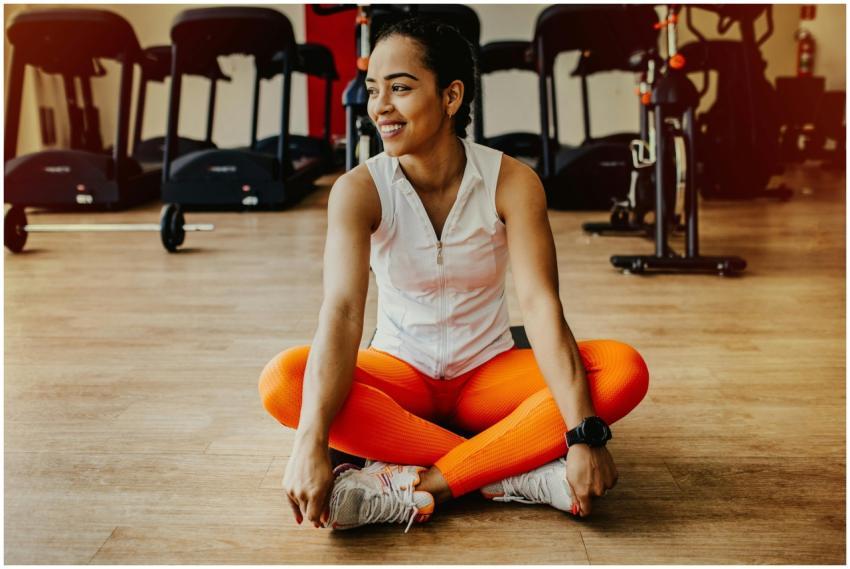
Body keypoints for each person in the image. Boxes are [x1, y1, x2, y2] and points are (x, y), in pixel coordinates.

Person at [259, 17, 649, 532]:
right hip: (402, 374)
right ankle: (515, 473)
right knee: (283, 382)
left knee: (623, 369)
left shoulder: (512, 181)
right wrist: (308, 442)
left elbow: (540, 306)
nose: (380, 106)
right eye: (375, 89)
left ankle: (422, 485)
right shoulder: (359, 190)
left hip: (486, 375)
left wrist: (584, 435)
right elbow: (343, 312)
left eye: (400, 88)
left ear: (451, 96)